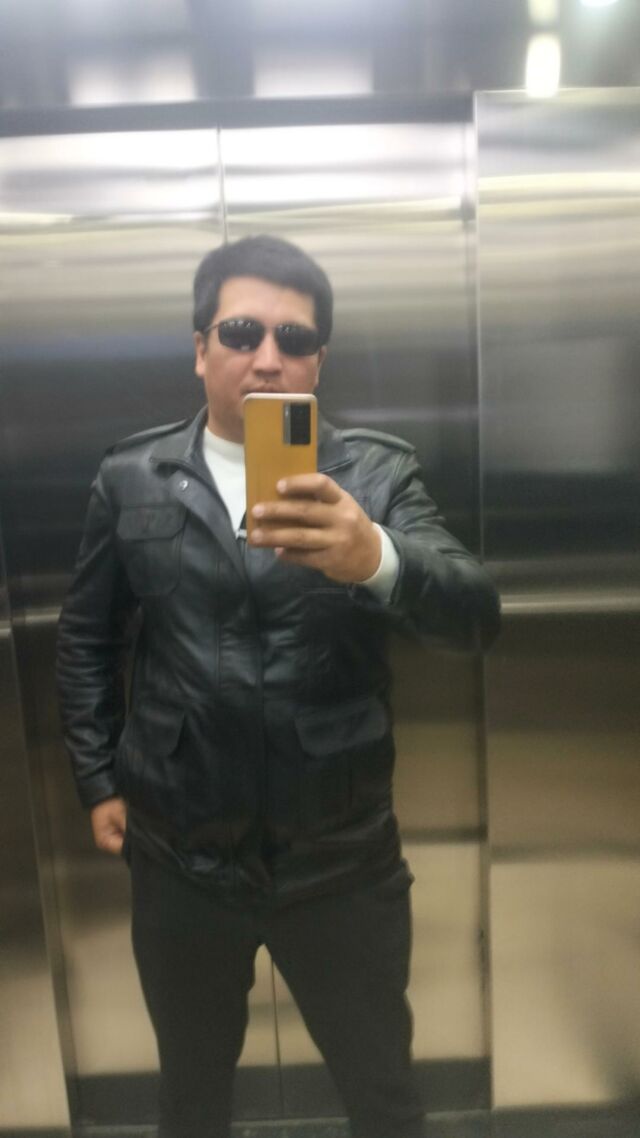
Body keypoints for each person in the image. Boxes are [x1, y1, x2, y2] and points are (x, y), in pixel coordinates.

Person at [56, 235, 500, 1138]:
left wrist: (376, 557)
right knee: (191, 1099)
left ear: (318, 360)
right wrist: (99, 780)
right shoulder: (131, 477)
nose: (268, 357)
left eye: (294, 339)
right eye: (242, 331)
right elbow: (86, 638)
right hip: (180, 858)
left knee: (383, 1095)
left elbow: (475, 616)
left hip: (341, 860)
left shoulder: (376, 474)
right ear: (200, 348)